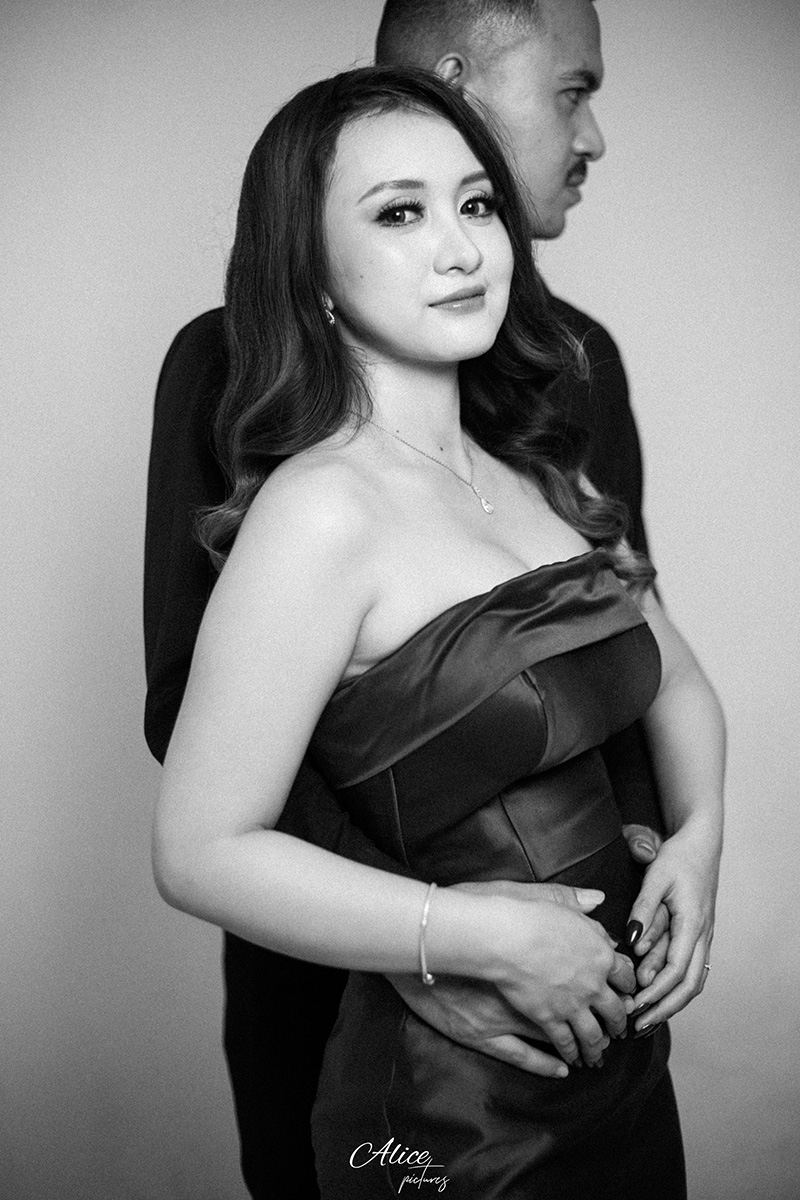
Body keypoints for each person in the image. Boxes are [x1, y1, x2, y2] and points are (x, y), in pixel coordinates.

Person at [142, 2, 713, 1195]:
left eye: (476, 206)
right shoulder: (312, 503)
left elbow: (657, 675)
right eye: (399, 214)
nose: (461, 250)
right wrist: (451, 938)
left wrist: (688, 841)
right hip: (438, 1090)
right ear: (313, 271)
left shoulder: (537, 457)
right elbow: (201, 823)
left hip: (605, 1042)